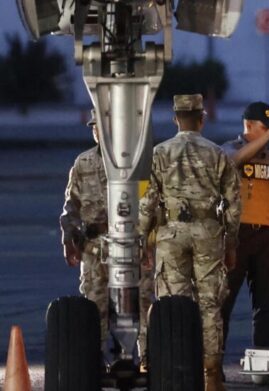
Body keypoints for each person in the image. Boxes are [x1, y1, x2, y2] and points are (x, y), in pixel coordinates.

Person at [138, 94, 241, 391]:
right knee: (209, 306)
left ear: (175, 119)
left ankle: (179, 371)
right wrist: (231, 241)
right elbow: (233, 202)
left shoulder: (159, 153)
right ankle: (211, 375)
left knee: (173, 305)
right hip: (208, 232)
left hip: (171, 234)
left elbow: (148, 202)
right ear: (202, 117)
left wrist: (144, 239)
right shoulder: (217, 153)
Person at [59, 109, 154, 364]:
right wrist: (68, 236)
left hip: (130, 243)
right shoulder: (83, 163)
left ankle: (147, 358)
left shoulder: (136, 161)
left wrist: (150, 242)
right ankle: (93, 362)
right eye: (94, 127)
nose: (97, 131)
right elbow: (72, 204)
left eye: (102, 126)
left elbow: (152, 202)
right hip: (94, 247)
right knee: (94, 305)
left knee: (142, 304)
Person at [220, 102, 269, 354]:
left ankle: (265, 362)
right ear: (248, 125)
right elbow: (233, 161)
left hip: (263, 237)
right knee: (223, 304)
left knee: (266, 305)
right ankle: (213, 366)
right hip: (235, 236)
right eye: (266, 127)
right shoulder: (230, 149)